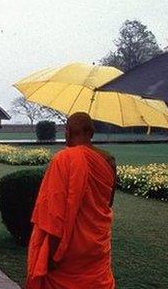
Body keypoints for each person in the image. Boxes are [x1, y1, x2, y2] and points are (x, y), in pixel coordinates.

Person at [26, 112, 116, 289]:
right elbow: (108, 203)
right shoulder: (109, 160)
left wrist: (50, 256)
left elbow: (53, 215)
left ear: (67, 131)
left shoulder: (63, 159)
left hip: (66, 253)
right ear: (92, 133)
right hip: (96, 247)